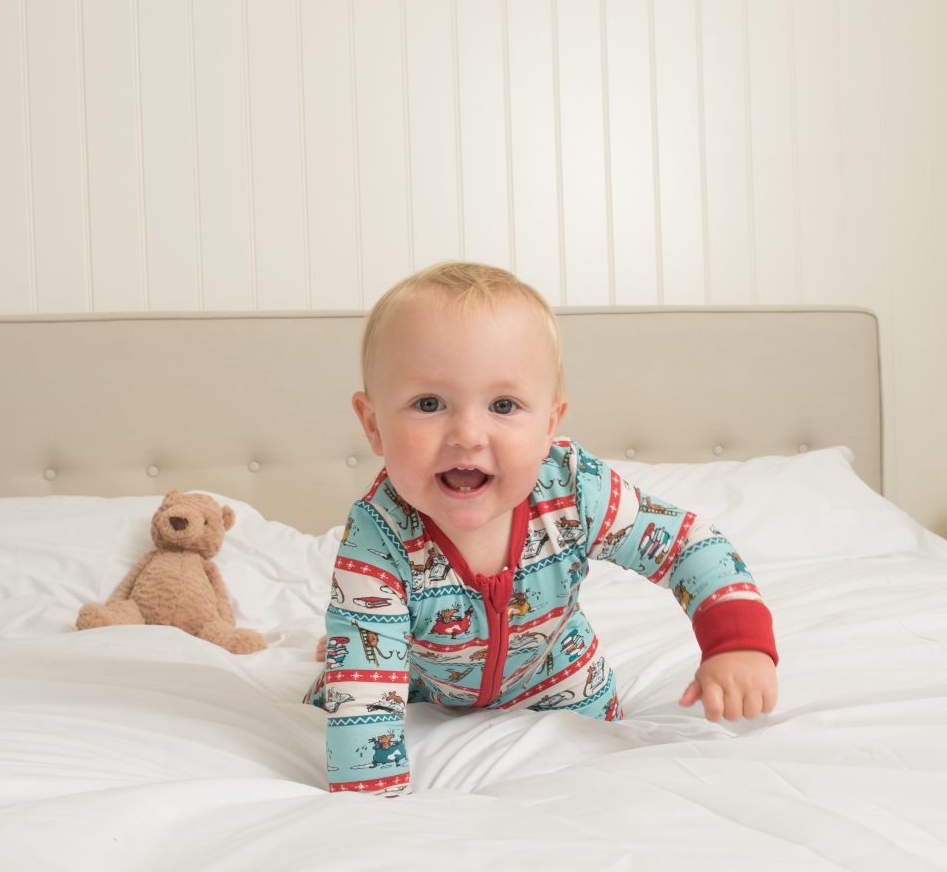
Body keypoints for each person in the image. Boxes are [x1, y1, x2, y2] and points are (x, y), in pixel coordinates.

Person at [303, 262, 778, 795]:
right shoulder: (379, 537)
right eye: (429, 404)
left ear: (550, 423)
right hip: (426, 678)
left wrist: (738, 644)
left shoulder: (574, 492)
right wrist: (373, 806)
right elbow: (365, 711)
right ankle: (372, 635)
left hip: (560, 677)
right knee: (360, 666)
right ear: (372, 424)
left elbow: (689, 544)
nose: (467, 433)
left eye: (503, 405)